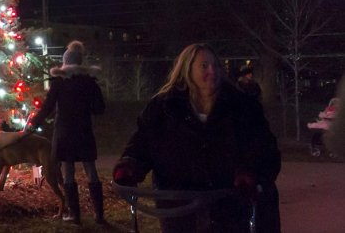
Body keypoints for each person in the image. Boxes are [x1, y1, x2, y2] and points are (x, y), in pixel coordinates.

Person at [113, 43, 281, 233]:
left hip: (232, 211)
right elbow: (143, 143)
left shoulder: (242, 108)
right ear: (187, 70)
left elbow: (264, 148)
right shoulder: (164, 109)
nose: (213, 71)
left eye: (216, 65)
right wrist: (129, 167)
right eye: (204, 66)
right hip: (180, 213)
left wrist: (249, 173)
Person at [25, 40, 106, 225]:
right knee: (90, 169)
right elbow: (100, 109)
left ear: (65, 62)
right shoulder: (90, 82)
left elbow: (47, 107)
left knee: (68, 170)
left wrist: (34, 122)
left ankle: (75, 215)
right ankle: (99, 215)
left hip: (64, 131)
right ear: (80, 62)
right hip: (84, 131)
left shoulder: (59, 82)